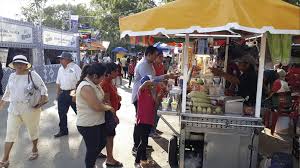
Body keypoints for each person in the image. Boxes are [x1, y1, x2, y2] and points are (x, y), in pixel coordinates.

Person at [0, 55, 48, 167]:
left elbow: (43, 89)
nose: (19, 65)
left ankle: (35, 149)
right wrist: (1, 104)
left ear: (26, 65)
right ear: (13, 65)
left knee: (32, 131)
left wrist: (40, 102)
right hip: (13, 109)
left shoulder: (32, 75)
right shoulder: (12, 76)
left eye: (21, 63)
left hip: (30, 108)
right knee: (10, 134)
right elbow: (7, 92)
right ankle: (5, 160)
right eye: (17, 63)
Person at [131, 46, 176, 154]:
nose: (156, 57)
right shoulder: (143, 65)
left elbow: (152, 79)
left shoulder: (149, 64)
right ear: (149, 54)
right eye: (155, 55)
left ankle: (143, 144)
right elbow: (149, 80)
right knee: (140, 123)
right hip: (140, 98)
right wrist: (165, 76)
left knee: (145, 123)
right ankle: (136, 146)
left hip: (148, 96)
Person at [76, 63, 115, 168]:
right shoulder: (85, 87)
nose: (103, 79)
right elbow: (96, 106)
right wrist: (109, 108)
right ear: (94, 76)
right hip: (88, 125)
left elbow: (99, 100)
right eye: (102, 76)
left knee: (102, 143)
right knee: (92, 150)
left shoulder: (94, 84)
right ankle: (90, 165)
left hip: (98, 122)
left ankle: (91, 162)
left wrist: (105, 103)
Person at [135, 76, 164, 167]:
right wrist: (156, 82)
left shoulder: (151, 93)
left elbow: (155, 106)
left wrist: (159, 95)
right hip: (142, 120)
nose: (151, 86)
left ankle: (143, 160)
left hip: (149, 120)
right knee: (143, 142)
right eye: (150, 84)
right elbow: (145, 84)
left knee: (145, 141)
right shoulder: (141, 91)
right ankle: (137, 161)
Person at [99, 63, 122, 167]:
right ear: (110, 72)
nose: (118, 73)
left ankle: (103, 155)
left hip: (111, 112)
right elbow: (106, 102)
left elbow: (112, 97)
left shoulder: (110, 82)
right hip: (109, 114)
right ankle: (110, 159)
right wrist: (114, 116)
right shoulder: (105, 83)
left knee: (108, 136)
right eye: (116, 71)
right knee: (109, 136)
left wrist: (117, 97)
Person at [55, 52, 82, 138]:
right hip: (63, 92)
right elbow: (58, 82)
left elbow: (80, 81)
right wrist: (58, 94)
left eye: (62, 59)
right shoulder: (60, 69)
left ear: (67, 60)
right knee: (61, 113)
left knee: (80, 112)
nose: (60, 60)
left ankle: (85, 129)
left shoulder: (75, 68)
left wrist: (76, 94)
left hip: (73, 92)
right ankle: (63, 130)